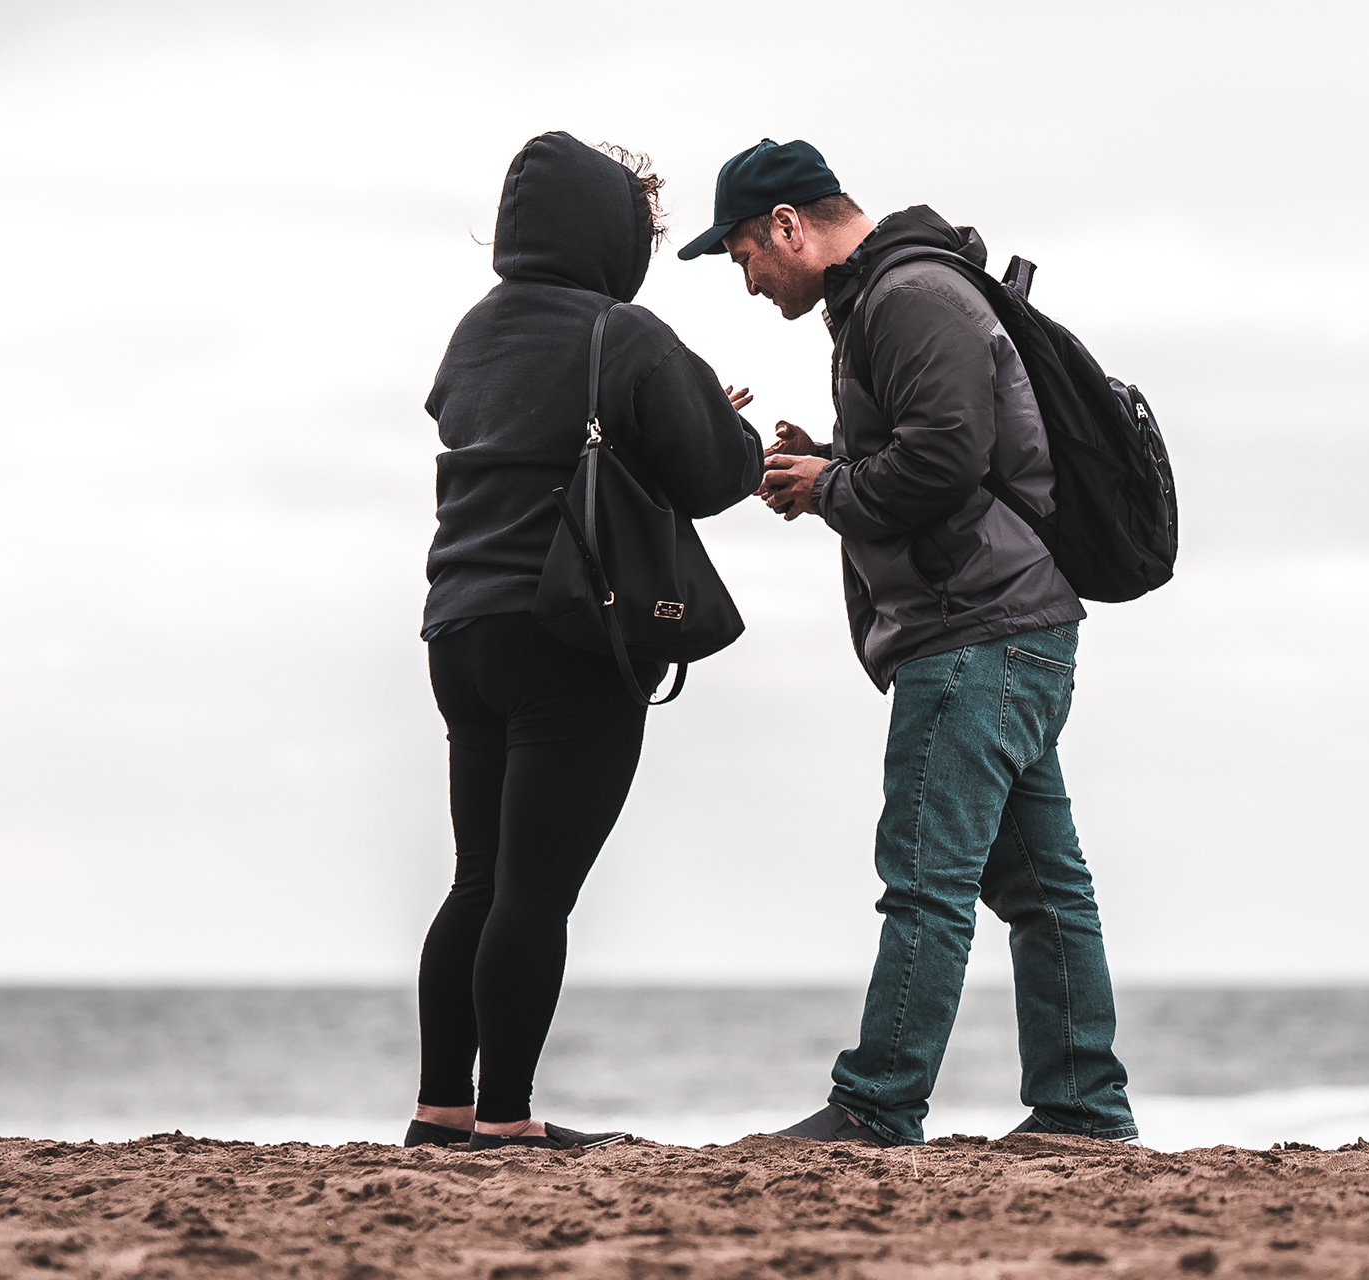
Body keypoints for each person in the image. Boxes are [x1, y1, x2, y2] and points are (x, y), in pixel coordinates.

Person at [680, 139, 1138, 1147]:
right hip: (1008, 621)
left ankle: (877, 1104)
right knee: (1041, 887)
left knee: (927, 879)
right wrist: (828, 461)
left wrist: (828, 488)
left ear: (788, 226)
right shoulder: (894, 295)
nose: (749, 283)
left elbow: (944, 460)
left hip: (973, 629)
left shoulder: (908, 296)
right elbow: (942, 450)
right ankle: (1084, 1109)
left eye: (744, 257)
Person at [408, 132, 763, 1152]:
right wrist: (723, 424)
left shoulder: (473, 333)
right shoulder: (627, 333)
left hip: (458, 627)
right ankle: (509, 1118)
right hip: (568, 628)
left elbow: (516, 429)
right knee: (536, 890)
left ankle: (442, 1108)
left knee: (479, 877)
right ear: (609, 234)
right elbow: (716, 474)